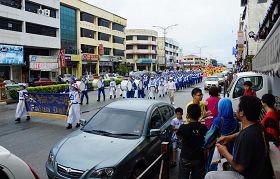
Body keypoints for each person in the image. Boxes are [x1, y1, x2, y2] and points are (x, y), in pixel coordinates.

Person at [205, 96, 274, 179]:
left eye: (238, 108)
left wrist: (224, 152)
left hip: (248, 175)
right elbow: (245, 132)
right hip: (260, 171)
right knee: (219, 162)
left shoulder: (245, 137)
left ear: (242, 112)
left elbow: (239, 167)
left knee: (210, 175)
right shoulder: (259, 127)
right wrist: (230, 137)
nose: (236, 110)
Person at [204, 98, 239, 172]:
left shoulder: (218, 120)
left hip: (218, 150)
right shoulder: (235, 120)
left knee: (216, 169)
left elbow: (209, 136)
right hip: (231, 150)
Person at [177, 104, 208, 179]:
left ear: (187, 115)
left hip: (186, 157)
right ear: (200, 115)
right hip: (198, 157)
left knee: (183, 176)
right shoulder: (203, 127)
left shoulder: (183, 127)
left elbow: (178, 136)